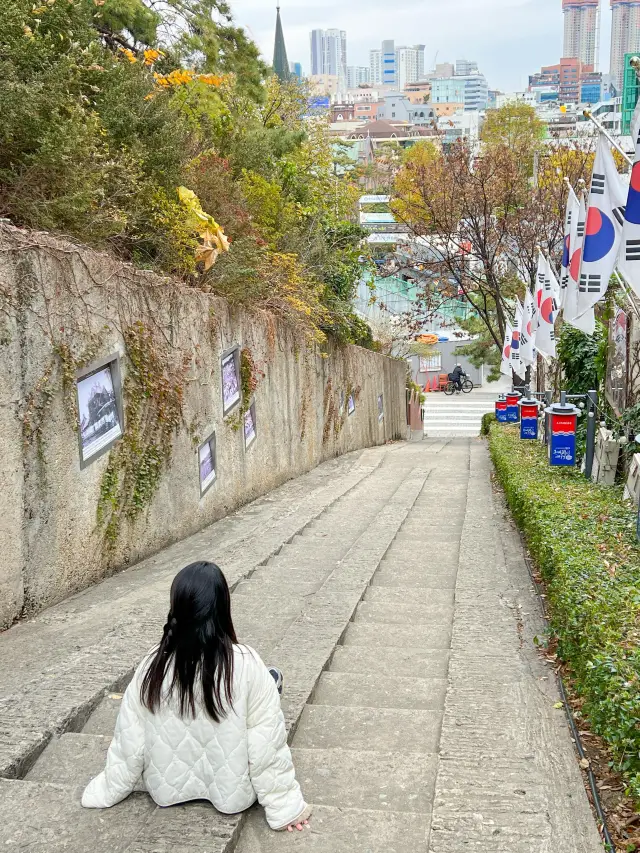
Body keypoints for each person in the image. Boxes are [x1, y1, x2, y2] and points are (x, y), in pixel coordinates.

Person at [82, 562, 311, 833]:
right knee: (265, 689)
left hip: (166, 789)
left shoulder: (152, 666)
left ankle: (271, 685)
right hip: (232, 794)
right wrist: (285, 807)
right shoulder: (246, 663)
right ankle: (274, 683)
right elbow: (265, 746)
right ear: (223, 606)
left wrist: (108, 789)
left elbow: (129, 742)